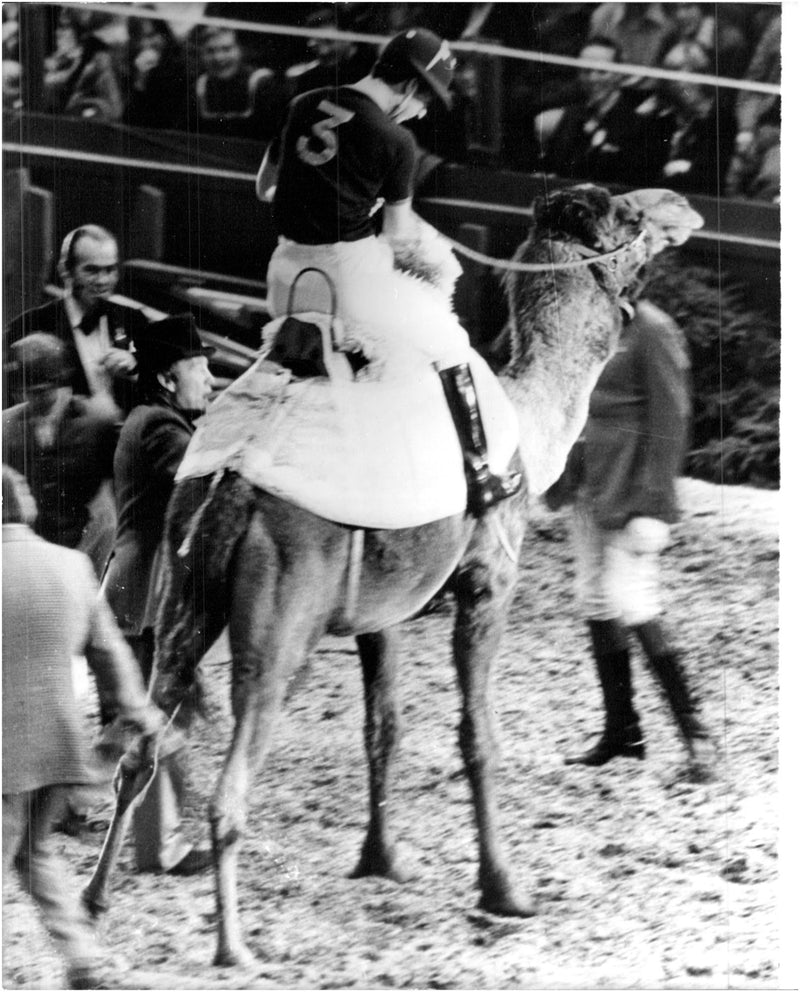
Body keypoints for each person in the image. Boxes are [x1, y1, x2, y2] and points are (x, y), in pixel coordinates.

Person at [260, 27, 521, 516]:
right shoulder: (396, 139)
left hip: (284, 278)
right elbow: (399, 238)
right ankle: (481, 475)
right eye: (425, 101)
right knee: (449, 341)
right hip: (349, 281)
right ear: (410, 87)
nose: (422, 112)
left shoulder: (304, 100)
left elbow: (265, 190)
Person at [2, 465, 163, 990]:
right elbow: (111, 655)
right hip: (58, 748)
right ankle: (84, 960)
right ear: (24, 509)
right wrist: (137, 712)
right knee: (34, 854)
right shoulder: (72, 566)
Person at [545, 300, 714, 778]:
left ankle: (697, 735)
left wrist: (656, 503)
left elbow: (671, 419)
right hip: (589, 484)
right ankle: (622, 732)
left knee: (632, 600)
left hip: (633, 487)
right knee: (596, 600)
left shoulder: (652, 329)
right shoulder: (587, 320)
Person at [102, 313, 215, 875]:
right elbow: (204, 488)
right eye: (201, 368)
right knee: (149, 715)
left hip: (133, 584)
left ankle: (157, 846)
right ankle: (67, 790)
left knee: (155, 714)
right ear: (169, 378)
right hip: (144, 590)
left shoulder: (151, 418)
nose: (211, 379)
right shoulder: (162, 430)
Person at [2, 333, 118, 577]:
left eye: (43, 391)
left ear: (61, 382)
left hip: (89, 552)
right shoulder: (5, 428)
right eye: (27, 391)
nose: (33, 399)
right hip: (30, 561)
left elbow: (110, 503)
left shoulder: (98, 422)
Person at [4, 224, 148, 413]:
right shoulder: (28, 327)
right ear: (66, 271)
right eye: (92, 270)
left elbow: (158, 390)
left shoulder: (134, 320)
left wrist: (134, 368)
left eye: (110, 270)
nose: (103, 281)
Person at [537, 37, 670, 186]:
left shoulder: (641, 125)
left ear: (619, 74)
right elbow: (552, 169)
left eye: (602, 72)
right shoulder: (571, 117)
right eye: (586, 71)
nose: (592, 78)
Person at [192, 25, 290, 142]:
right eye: (210, 51)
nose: (218, 58)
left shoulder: (262, 84)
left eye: (226, 49)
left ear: (240, 50)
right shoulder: (199, 87)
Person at [724, 11, 780, 202]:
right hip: (762, 126)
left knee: (773, 180)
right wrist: (746, 130)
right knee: (730, 181)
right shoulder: (780, 26)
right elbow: (752, 85)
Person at [42, 7, 123, 121]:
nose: (58, 34)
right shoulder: (59, 59)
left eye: (65, 28)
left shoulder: (98, 62)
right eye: (59, 28)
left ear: (80, 34)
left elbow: (115, 109)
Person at [123, 15, 190, 132]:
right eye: (139, 38)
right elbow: (128, 123)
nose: (146, 44)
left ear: (164, 35)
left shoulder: (181, 66)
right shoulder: (130, 69)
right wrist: (140, 81)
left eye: (151, 36)